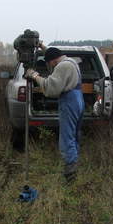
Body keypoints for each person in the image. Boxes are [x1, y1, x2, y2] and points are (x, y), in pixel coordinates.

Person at [26, 46, 84, 183]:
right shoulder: (71, 61)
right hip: (78, 99)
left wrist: (34, 75)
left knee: (66, 137)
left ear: (52, 61)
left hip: (69, 101)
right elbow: (54, 58)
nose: (50, 66)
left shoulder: (62, 66)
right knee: (75, 135)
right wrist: (43, 47)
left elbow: (50, 87)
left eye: (49, 63)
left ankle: (70, 175)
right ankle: (74, 164)